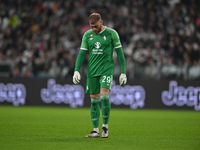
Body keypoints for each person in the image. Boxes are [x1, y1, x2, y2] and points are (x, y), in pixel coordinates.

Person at [73, 13, 127, 138]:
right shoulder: (87, 35)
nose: (94, 29)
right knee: (94, 101)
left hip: (106, 70)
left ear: (101, 22)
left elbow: (120, 54)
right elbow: (81, 54)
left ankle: (105, 127)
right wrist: (76, 70)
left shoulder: (112, 34)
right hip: (92, 71)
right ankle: (95, 130)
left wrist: (123, 72)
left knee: (104, 97)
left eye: (96, 26)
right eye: (92, 27)